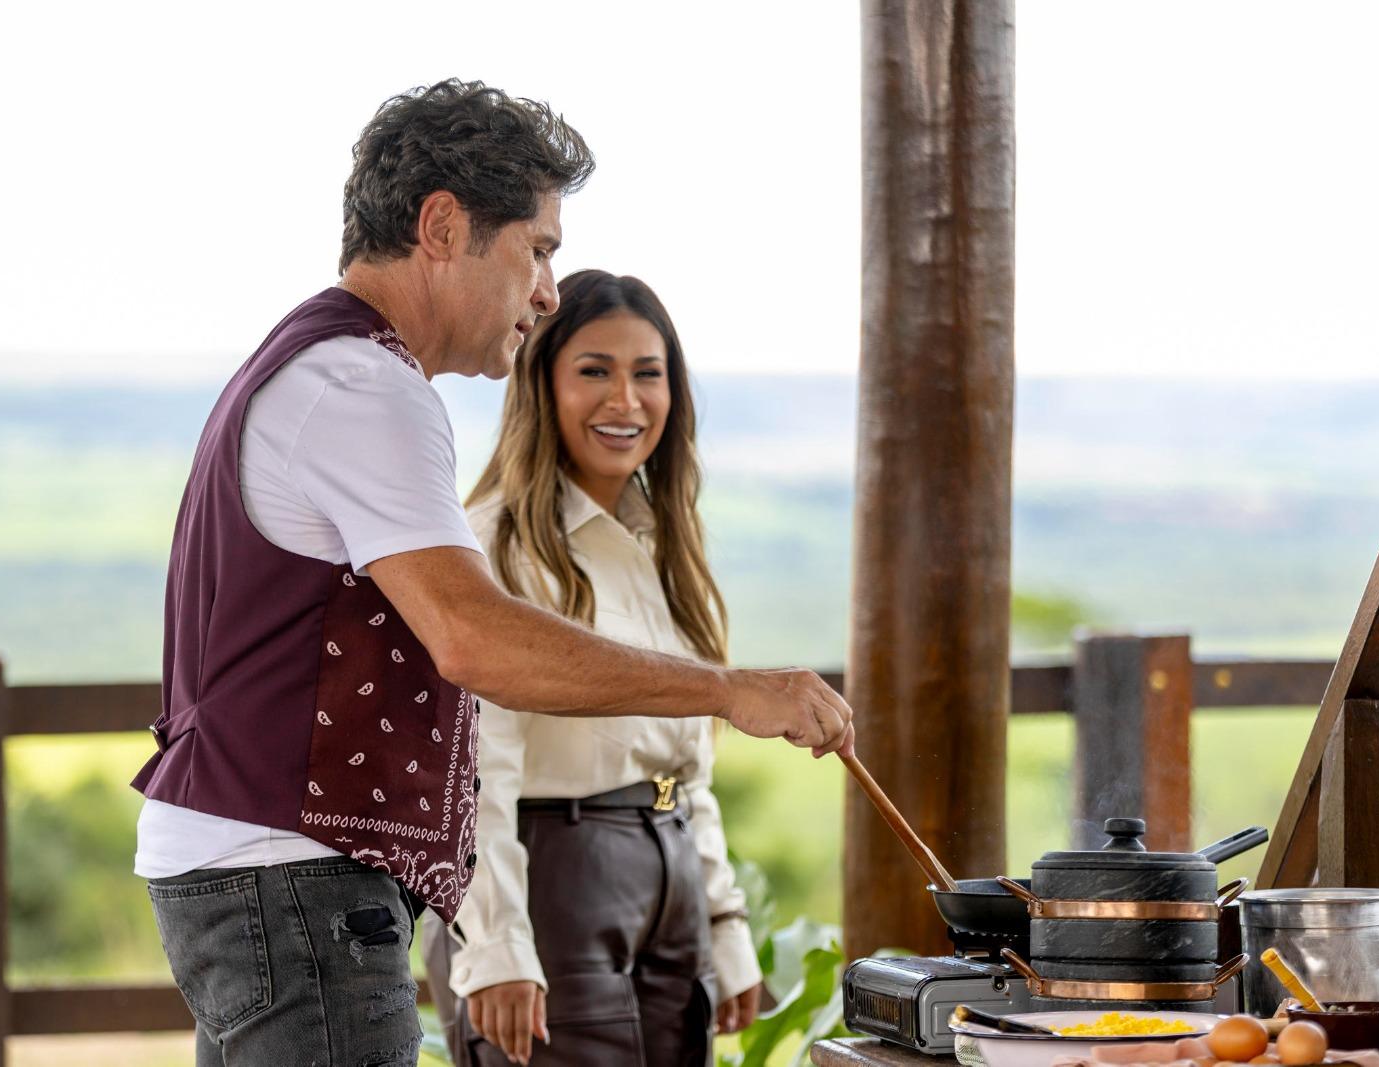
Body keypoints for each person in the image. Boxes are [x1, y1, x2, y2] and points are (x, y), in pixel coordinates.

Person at [130, 79, 853, 1067]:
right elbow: (476, 641)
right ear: (441, 225)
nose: (548, 289)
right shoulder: (362, 384)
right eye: (539, 247)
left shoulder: (329, 366)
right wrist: (730, 689)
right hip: (288, 873)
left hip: (260, 869)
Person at [424, 270, 765, 1067]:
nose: (626, 400)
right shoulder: (490, 546)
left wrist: (724, 920)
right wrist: (498, 945)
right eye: (594, 371)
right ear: (541, 385)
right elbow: (472, 771)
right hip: (552, 884)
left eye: (648, 373)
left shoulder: (664, 547)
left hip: (670, 886)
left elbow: (690, 767)